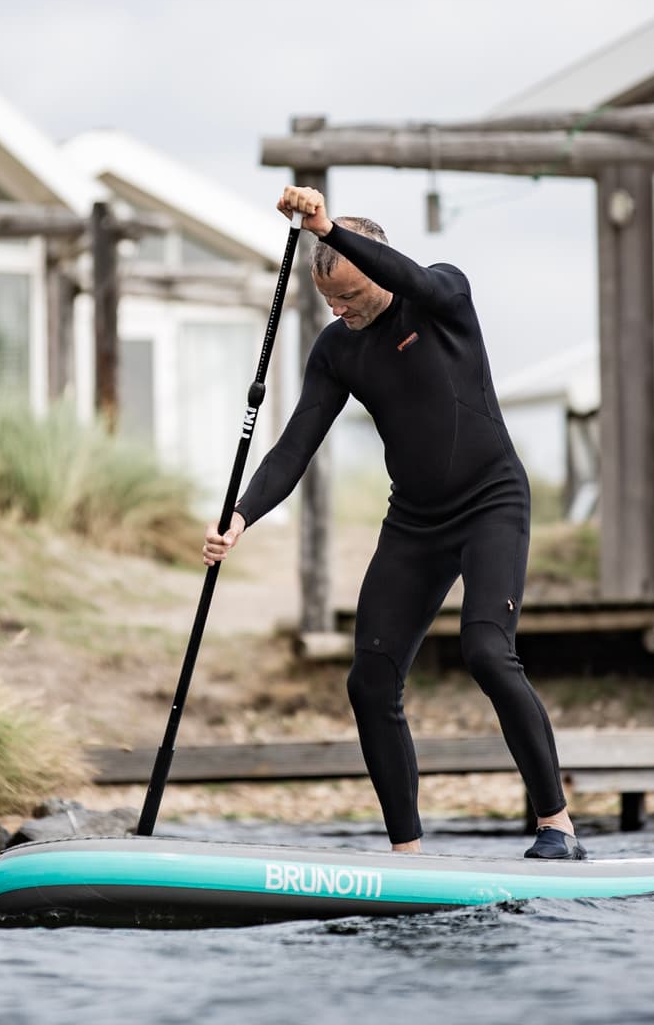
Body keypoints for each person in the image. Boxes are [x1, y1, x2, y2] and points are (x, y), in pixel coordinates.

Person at [203, 185, 583, 860]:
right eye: (327, 302)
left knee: (488, 653)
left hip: (491, 501)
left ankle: (557, 825)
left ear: (376, 269)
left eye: (348, 296)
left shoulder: (442, 297)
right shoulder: (336, 350)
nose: (338, 310)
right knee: (370, 680)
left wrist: (328, 228)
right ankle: (407, 854)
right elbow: (296, 444)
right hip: (415, 521)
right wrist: (241, 515)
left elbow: (410, 275)